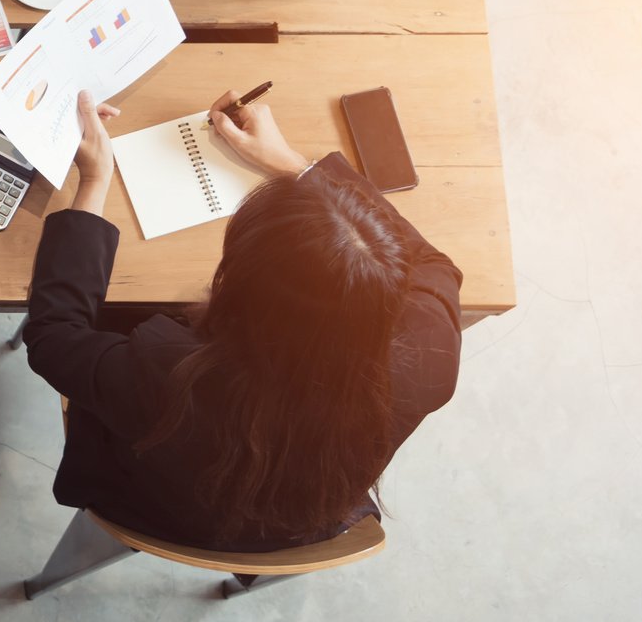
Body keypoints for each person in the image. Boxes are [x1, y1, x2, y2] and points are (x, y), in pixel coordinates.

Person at [23, 89, 462, 550]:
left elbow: (54, 336)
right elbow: (433, 263)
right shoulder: (431, 353)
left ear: (237, 287)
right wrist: (298, 167)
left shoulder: (166, 372)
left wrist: (94, 178)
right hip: (300, 528)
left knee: (121, 312)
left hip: (148, 507)